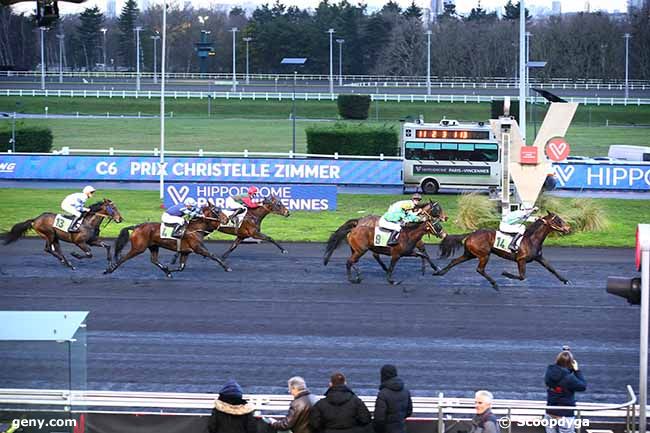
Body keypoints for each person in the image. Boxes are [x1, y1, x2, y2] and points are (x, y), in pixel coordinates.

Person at [544, 349, 587, 433]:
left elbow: (560, 374)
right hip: (565, 412)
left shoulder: (549, 371)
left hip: (550, 411)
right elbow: (582, 386)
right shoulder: (569, 378)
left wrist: (569, 369)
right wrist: (577, 371)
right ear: (570, 363)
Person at [373, 365, 413, 433]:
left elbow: (379, 418)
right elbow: (409, 411)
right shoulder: (405, 391)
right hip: (401, 428)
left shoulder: (383, 394)